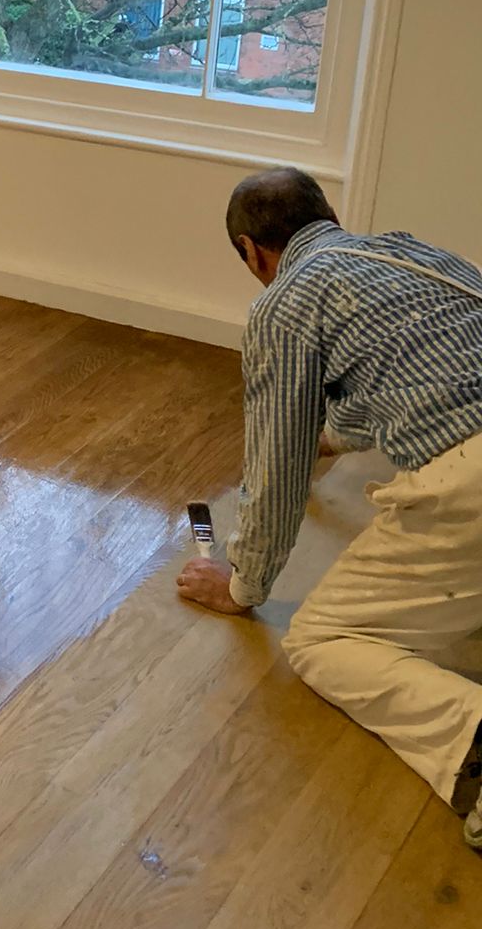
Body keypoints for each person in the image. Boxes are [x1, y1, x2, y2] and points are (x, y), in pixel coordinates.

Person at [177, 166, 482, 847]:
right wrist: (331, 435)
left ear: (252, 253)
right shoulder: (412, 254)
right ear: (327, 217)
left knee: (322, 640)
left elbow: (276, 471)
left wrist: (241, 585)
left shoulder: (284, 302)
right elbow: (429, 367)